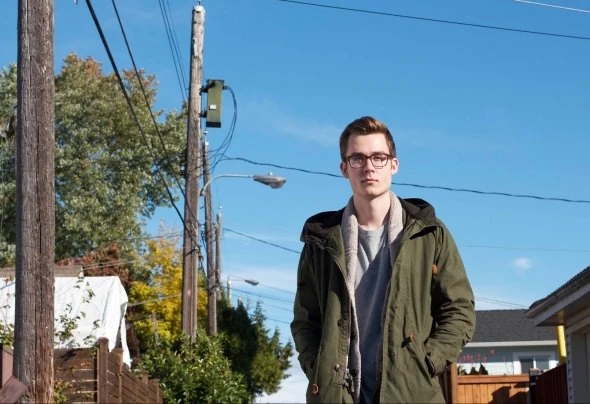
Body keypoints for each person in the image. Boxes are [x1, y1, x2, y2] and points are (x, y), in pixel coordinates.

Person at [291, 116, 476, 403]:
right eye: (357, 158)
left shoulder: (429, 233)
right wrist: (319, 370)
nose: (369, 167)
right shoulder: (321, 241)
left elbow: (459, 309)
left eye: (378, 157)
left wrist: (425, 363)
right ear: (344, 168)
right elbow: (305, 321)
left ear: (394, 165)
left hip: (411, 394)